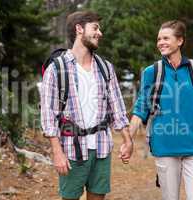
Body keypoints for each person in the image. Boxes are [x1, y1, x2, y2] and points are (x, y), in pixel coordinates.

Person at [41, 11, 133, 200]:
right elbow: (49, 116)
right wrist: (57, 153)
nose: (100, 33)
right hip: (72, 149)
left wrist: (127, 139)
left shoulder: (106, 67)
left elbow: (117, 106)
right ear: (79, 29)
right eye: (95, 28)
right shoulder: (56, 69)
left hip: (102, 147)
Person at [130, 20, 193, 200]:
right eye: (158, 39)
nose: (160, 42)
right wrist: (128, 139)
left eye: (166, 38)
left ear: (180, 41)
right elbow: (141, 108)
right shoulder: (151, 72)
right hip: (165, 147)